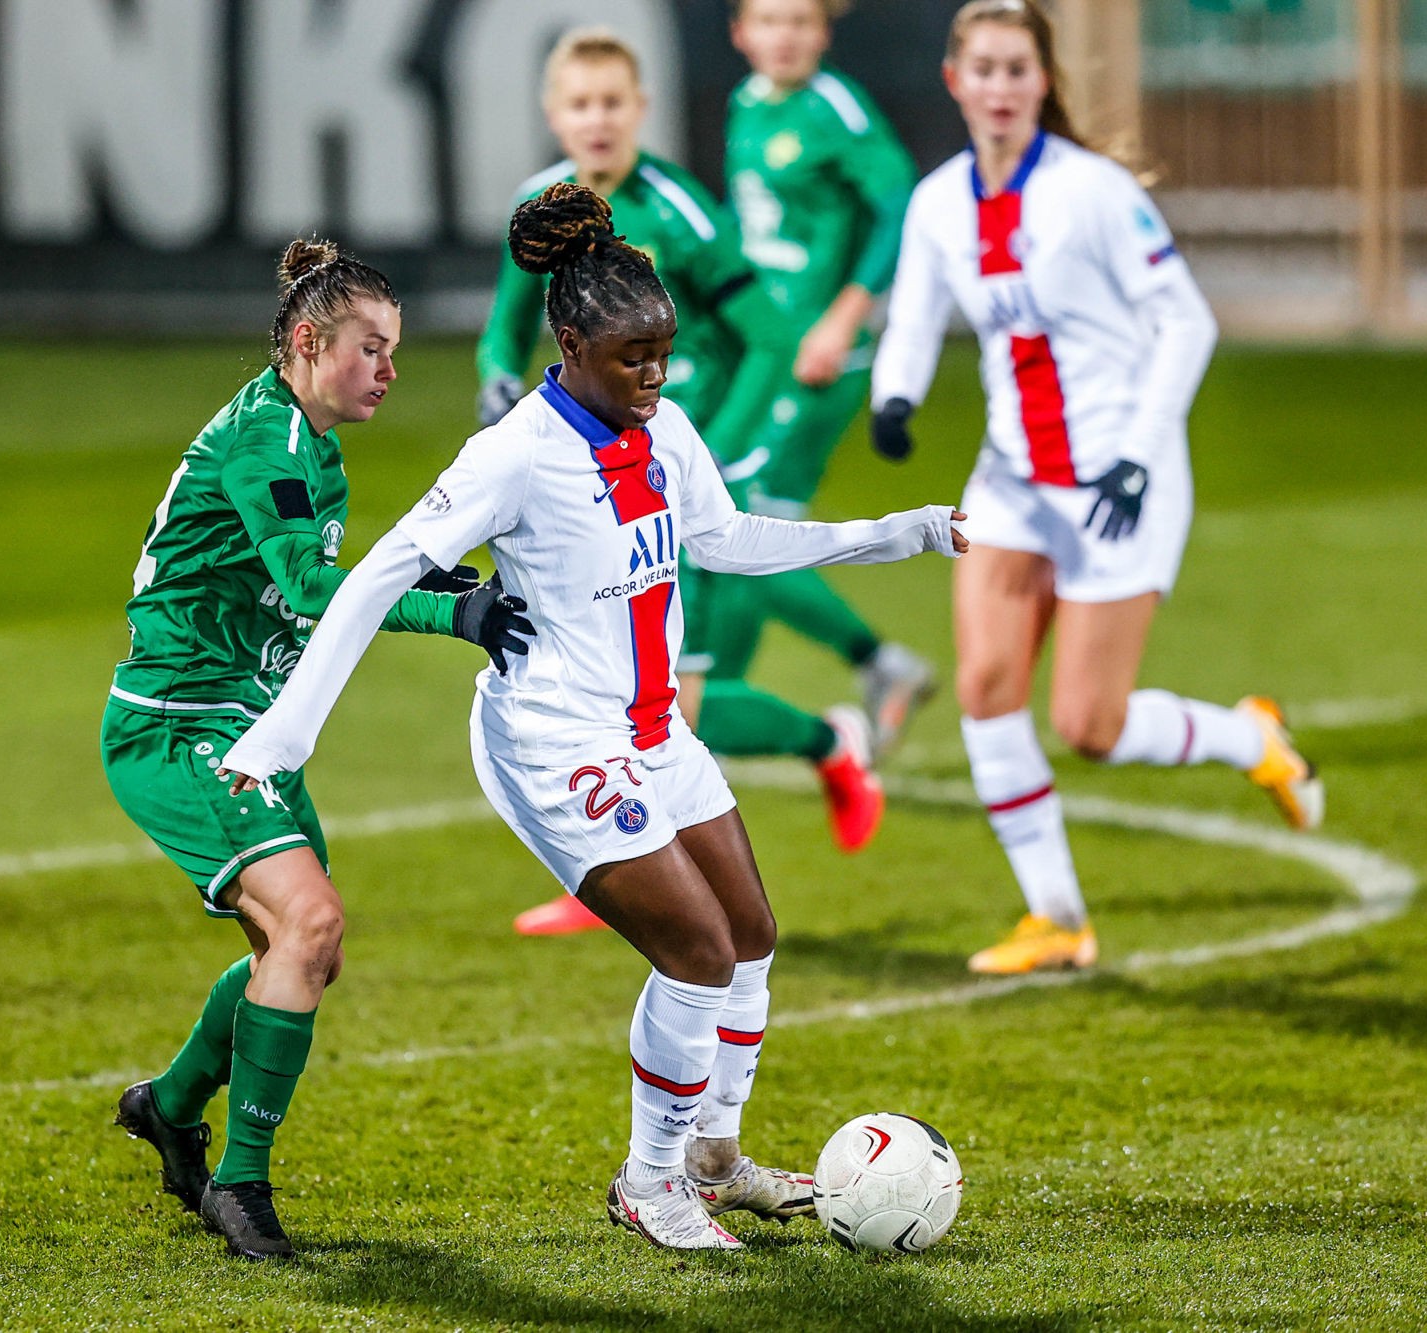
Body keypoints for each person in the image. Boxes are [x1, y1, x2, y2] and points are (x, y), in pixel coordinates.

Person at [221, 184, 966, 1250]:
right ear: (568, 343)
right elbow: (374, 577)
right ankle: (649, 1182)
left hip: (656, 732)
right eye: (632, 357)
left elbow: (728, 537)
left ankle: (714, 1159)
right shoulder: (512, 454)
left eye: (662, 351)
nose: (654, 374)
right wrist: (283, 736)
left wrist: (898, 533)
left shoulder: (660, 426)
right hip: (554, 740)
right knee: (698, 951)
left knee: (751, 936)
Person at [869, 0, 1324, 977]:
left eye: (1014, 70)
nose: (997, 88)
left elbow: (1186, 323)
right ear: (953, 81)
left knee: (1089, 726)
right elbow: (912, 315)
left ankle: (1251, 735)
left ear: (1041, 82)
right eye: (980, 70)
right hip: (1010, 480)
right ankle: (1057, 917)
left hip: (1120, 481)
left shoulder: (1093, 192)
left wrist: (1136, 451)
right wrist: (893, 399)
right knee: (987, 686)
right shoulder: (939, 201)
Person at [101, 239, 532, 1261]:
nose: (389, 369)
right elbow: (304, 588)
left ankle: (168, 1105)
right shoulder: (267, 443)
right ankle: (240, 1185)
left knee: (302, 948)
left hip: (243, 719)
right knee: (310, 917)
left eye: (393, 349)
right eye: (370, 349)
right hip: (177, 722)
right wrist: (448, 610)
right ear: (307, 342)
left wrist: (440, 587)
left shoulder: (305, 437)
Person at [475, 28, 888, 939]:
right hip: (586, 470)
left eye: (612, 103)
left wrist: (725, 450)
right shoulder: (539, 211)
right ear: (554, 115)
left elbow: (772, 335)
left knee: (665, 705)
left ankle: (830, 743)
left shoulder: (680, 212)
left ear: (640, 110)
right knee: (600, 692)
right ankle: (617, 863)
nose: (597, 119)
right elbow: (503, 326)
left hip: (660, 469)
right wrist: (496, 381)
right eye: (580, 104)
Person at [714, 0, 936, 754]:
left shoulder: (836, 108)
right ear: (741, 32)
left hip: (819, 358)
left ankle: (873, 663)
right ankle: (716, 696)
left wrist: (845, 317)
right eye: (770, 20)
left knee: (738, 524)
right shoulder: (747, 104)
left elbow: (900, 202)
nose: (786, 36)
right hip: (765, 351)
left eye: (801, 20)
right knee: (738, 522)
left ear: (824, 32)